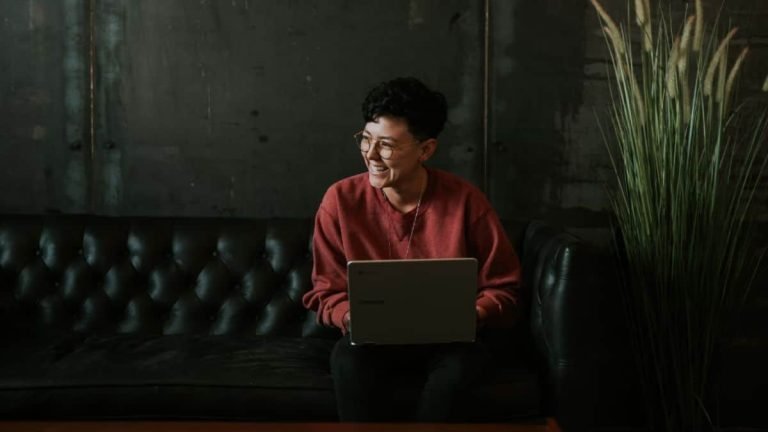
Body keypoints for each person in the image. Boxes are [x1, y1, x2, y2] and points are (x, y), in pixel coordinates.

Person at [302, 77, 521, 422]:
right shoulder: (340, 200)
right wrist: (350, 316)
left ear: (426, 150)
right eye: (366, 139)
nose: (371, 154)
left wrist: (472, 313)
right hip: (371, 343)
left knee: (459, 368)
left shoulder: (465, 201)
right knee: (348, 360)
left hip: (450, 344)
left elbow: (504, 287)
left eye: (387, 145)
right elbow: (326, 291)